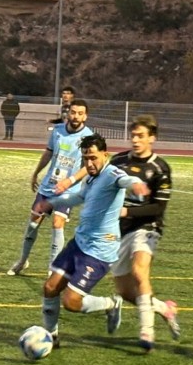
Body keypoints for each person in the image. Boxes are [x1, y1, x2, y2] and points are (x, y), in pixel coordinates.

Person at [61, 114, 181, 352]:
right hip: (116, 233)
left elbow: (158, 207)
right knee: (126, 293)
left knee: (139, 271)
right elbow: (95, 167)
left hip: (147, 227)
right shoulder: (119, 160)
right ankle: (162, 308)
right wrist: (71, 180)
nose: (136, 140)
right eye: (133, 135)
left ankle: (147, 331)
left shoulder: (160, 168)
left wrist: (125, 211)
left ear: (152, 138)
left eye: (141, 136)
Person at [35, 133, 149, 347]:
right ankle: (51, 336)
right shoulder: (90, 177)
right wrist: (52, 202)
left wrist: (135, 184)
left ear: (105, 155)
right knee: (50, 288)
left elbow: (125, 179)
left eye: (93, 158)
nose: (89, 163)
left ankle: (110, 303)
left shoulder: (112, 173)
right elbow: (78, 197)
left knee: (71, 302)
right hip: (79, 243)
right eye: (85, 158)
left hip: (99, 251)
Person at [7, 99, 94, 276]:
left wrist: (70, 181)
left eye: (80, 113)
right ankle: (23, 261)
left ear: (85, 116)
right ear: (68, 113)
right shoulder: (58, 131)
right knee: (33, 224)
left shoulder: (88, 137)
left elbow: (88, 166)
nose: (76, 116)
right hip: (48, 186)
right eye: (73, 112)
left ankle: (52, 268)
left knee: (57, 223)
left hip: (69, 190)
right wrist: (36, 172)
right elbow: (48, 152)